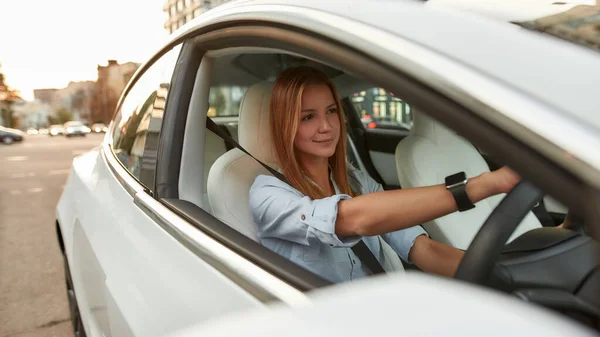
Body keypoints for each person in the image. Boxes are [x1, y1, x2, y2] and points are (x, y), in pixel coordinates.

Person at [249, 66, 520, 283]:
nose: (326, 126)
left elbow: (423, 249)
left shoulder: (355, 181)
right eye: (308, 117)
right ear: (285, 125)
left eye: (331, 111)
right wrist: (484, 185)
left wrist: (508, 281)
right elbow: (351, 218)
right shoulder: (268, 195)